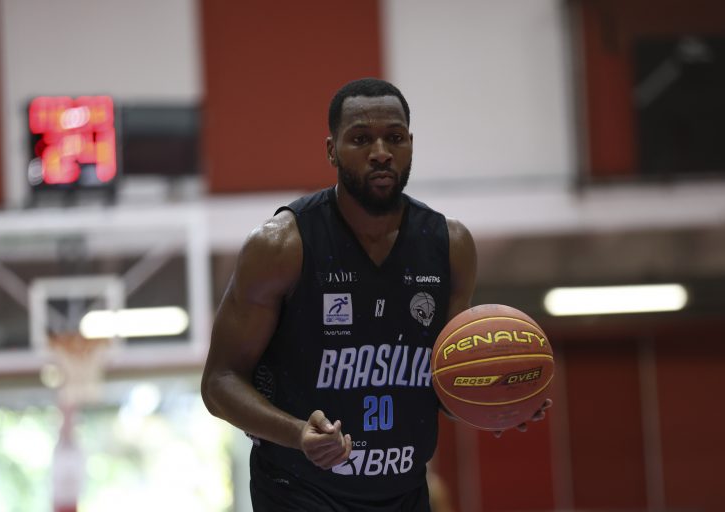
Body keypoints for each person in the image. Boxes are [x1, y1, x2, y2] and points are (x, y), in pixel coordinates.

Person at [202, 77, 550, 511]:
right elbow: (219, 381)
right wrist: (296, 433)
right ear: (331, 150)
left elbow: (444, 384)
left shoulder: (450, 245)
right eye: (361, 139)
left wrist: (498, 398)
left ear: (410, 145)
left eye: (395, 138)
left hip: (403, 494)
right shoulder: (280, 246)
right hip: (298, 492)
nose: (381, 152)